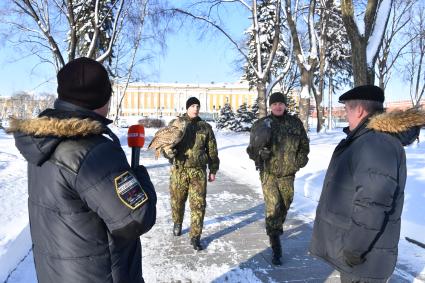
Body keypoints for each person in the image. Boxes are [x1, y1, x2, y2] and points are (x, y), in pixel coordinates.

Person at [8, 57, 156, 283]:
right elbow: (136, 219)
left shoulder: (43, 141)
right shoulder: (95, 152)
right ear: (102, 98)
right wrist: (140, 176)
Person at [309, 85, 424, 283]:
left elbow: (372, 205)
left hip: (364, 260)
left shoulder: (375, 144)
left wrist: (353, 250)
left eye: (347, 110)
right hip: (362, 257)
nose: (345, 116)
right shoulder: (367, 140)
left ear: (360, 110)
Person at [246, 92, 310, 265]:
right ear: (270, 106)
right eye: (274, 104)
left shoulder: (295, 123)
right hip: (269, 173)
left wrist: (300, 160)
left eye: (281, 103)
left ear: (285, 105)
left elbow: (304, 146)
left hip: (288, 174)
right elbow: (251, 150)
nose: (278, 106)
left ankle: (275, 227)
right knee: (273, 206)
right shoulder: (261, 124)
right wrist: (260, 153)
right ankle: (275, 245)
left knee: (285, 204)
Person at [165, 97, 220, 251]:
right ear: (187, 108)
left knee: (198, 204)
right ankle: (177, 222)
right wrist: (168, 153)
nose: (195, 108)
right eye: (192, 106)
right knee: (177, 201)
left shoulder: (205, 127)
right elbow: (165, 145)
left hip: (198, 172)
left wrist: (213, 169)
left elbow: (212, 150)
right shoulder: (176, 124)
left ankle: (195, 236)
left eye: (197, 106)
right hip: (179, 170)